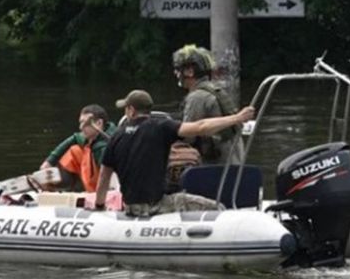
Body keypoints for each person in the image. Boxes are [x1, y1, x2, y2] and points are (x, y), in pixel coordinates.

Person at [92, 89, 255, 217]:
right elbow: (201, 127)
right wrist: (236, 118)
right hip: (157, 206)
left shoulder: (116, 137)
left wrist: (99, 207)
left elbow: (104, 178)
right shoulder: (161, 127)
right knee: (218, 208)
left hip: (130, 208)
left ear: (131, 110)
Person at [172, 44, 242, 164]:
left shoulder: (197, 98)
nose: (176, 73)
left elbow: (188, 136)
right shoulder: (218, 91)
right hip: (234, 161)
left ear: (189, 72)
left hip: (213, 167)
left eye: (179, 69)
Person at [39, 104, 117, 192]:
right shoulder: (94, 136)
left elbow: (110, 177)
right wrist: (49, 161)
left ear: (99, 123)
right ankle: (58, 187)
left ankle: (91, 192)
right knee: (75, 151)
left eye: (85, 123)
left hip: (105, 191)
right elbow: (75, 138)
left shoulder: (104, 148)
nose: (81, 127)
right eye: (80, 122)